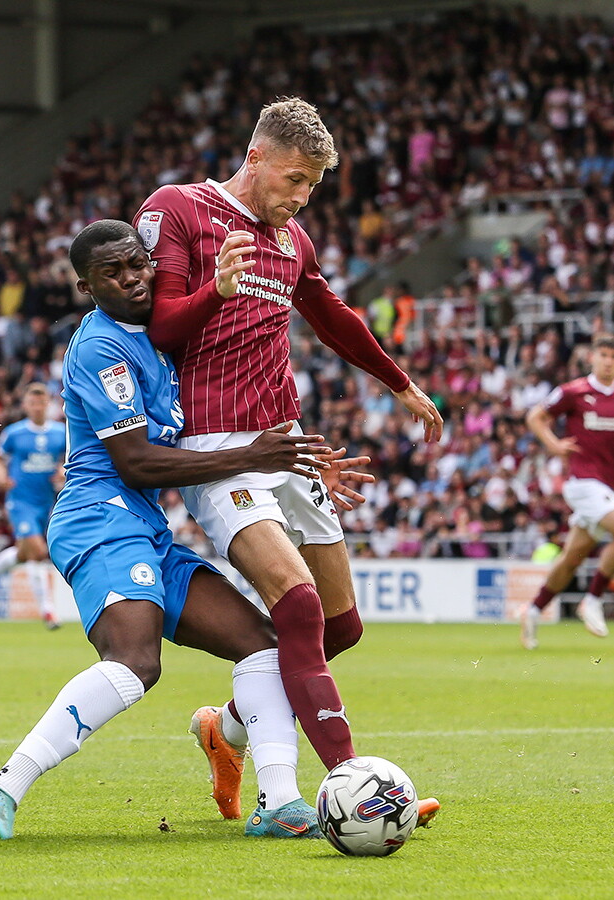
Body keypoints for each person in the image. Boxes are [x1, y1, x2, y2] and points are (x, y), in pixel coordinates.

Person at [0, 220, 352, 841]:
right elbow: (136, 461)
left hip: (147, 526)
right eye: (113, 273)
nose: (134, 278)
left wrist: (297, 461)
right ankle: (2, 786)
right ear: (87, 286)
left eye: (138, 264)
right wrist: (255, 459)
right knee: (137, 661)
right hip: (98, 516)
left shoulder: (165, 334)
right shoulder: (101, 347)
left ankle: (279, 801)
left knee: (266, 645)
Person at [134, 97, 442, 824]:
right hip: (217, 446)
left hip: (288, 444)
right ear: (256, 158)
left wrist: (400, 384)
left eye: (312, 187)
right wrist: (218, 290)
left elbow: (334, 315)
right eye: (294, 179)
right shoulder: (177, 208)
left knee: (340, 628)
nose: (300, 198)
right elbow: (159, 323)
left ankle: (225, 728)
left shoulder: (290, 240)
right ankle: (358, 787)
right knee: (296, 605)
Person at [521, 333, 614, 650]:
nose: (608, 361)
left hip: (607, 484)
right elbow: (535, 417)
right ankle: (593, 599)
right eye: (603, 355)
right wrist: (554, 445)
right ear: (592, 358)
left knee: (572, 559)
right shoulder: (574, 391)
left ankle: (534, 610)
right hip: (582, 482)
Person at [0, 383, 67, 629]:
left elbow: (69, 460)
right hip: (20, 501)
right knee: (38, 551)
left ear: (47, 404)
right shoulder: (14, 433)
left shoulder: (60, 432)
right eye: (32, 402)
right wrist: (0, 477)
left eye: (41, 402)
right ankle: (48, 612)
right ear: (25, 405)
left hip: (47, 501)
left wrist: (61, 471)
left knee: (25, 553)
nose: (37, 407)